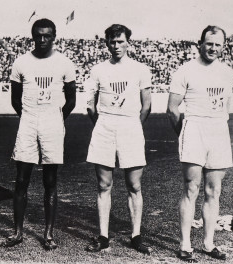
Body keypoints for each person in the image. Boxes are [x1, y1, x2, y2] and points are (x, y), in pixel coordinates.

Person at [3, 18, 76, 250]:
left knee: (50, 181)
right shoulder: (21, 62)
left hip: (52, 123)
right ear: (32, 36)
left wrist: (55, 118)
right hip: (28, 121)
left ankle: (48, 234)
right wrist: (29, 116)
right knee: (21, 179)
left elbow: (71, 100)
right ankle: (17, 232)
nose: (42, 40)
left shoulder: (64, 63)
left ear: (54, 37)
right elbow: (15, 99)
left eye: (47, 36)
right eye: (38, 35)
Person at [167, 25, 233, 262]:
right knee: (191, 188)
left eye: (217, 44)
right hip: (194, 128)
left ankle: (208, 244)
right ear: (200, 44)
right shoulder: (185, 70)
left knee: (213, 191)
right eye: (209, 43)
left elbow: (226, 106)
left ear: (223, 47)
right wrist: (184, 133)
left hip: (218, 130)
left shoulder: (227, 72)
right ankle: (185, 244)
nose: (213, 48)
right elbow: (172, 109)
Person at [85, 24, 152, 254]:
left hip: (130, 126)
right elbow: (90, 107)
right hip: (105, 126)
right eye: (112, 42)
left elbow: (147, 106)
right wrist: (103, 125)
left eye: (121, 41)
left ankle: (136, 235)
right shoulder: (97, 70)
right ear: (107, 43)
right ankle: (103, 236)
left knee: (134, 184)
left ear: (128, 43)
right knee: (104, 185)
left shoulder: (140, 70)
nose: (116, 46)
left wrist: (133, 125)